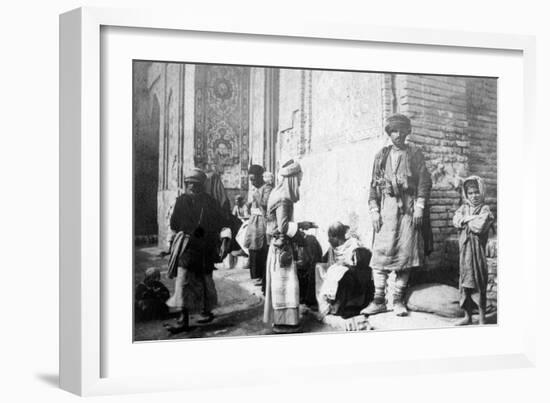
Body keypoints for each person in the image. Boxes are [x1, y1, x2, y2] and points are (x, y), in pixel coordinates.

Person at [362, 114, 432, 317]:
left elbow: (424, 182)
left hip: (408, 211)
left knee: (405, 254)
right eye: (394, 131)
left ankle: (398, 300)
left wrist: (420, 206)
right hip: (386, 211)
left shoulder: (415, 153)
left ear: (407, 132)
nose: (398, 135)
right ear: (389, 133)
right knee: (380, 256)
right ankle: (378, 300)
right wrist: (374, 211)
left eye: (402, 130)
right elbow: (373, 186)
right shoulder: (381, 156)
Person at [164, 168, 232, 333]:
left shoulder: (211, 202)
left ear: (202, 185)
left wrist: (224, 240)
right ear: (186, 184)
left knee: (205, 281)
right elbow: (173, 225)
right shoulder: (181, 201)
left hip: (206, 248)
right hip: (187, 247)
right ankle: (183, 319)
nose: (193, 187)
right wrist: (171, 244)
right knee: (183, 281)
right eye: (190, 184)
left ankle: (206, 311)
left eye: (196, 184)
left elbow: (223, 223)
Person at [263, 159, 315, 333]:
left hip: (279, 246)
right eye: (299, 177)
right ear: (292, 177)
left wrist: (301, 224)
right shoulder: (284, 198)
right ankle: (284, 323)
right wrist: (302, 238)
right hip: (282, 249)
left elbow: (281, 223)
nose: (300, 181)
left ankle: (283, 321)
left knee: (283, 286)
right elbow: (284, 227)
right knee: (286, 286)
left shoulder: (278, 193)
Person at [452, 176, 494, 325]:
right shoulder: (463, 208)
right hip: (465, 252)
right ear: (466, 194)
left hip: (477, 253)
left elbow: (479, 226)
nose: (474, 196)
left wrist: (466, 220)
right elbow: (456, 220)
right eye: (470, 193)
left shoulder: (485, 209)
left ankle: (482, 318)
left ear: (481, 192)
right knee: (465, 283)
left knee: (478, 281)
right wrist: (468, 218)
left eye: (476, 192)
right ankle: (467, 316)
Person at [316, 222, 374, 319]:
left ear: (336, 237)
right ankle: (330, 305)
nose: (328, 240)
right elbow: (323, 261)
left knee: (344, 277)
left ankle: (341, 306)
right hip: (343, 273)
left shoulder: (353, 245)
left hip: (356, 276)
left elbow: (360, 262)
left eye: (330, 237)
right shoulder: (332, 249)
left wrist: (346, 264)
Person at [243, 164, 273, 290]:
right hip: (254, 221)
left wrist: (256, 196)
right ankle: (258, 275)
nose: (252, 182)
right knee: (253, 248)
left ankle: (263, 277)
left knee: (262, 248)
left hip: (263, 222)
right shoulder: (257, 189)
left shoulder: (267, 188)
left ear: (261, 177)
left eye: (254, 179)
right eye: (250, 180)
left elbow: (266, 204)